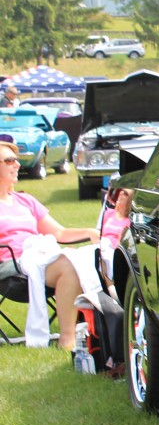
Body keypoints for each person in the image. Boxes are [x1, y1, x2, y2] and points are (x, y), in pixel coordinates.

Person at [0, 140, 101, 349]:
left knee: (91, 258)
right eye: (9, 160)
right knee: (69, 266)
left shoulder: (25, 200)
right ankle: (67, 339)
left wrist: (90, 232)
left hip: (40, 256)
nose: (17, 165)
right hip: (9, 265)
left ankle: (102, 330)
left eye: (16, 160)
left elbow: (59, 232)